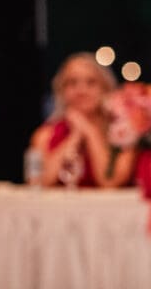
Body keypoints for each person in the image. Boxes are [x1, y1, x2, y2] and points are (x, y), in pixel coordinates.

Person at [29, 52, 134, 188]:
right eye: (72, 83)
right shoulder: (44, 135)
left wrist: (89, 131)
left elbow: (109, 182)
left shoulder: (124, 133)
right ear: (62, 91)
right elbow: (37, 183)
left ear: (105, 89)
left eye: (91, 83)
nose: (81, 90)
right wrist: (74, 137)